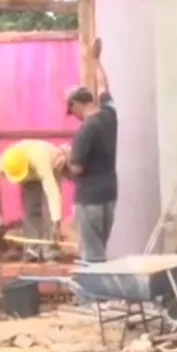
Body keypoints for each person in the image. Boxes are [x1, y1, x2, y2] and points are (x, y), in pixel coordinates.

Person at [66, 84, 118, 263]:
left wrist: (66, 159)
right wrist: (94, 60)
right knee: (100, 249)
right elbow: (104, 89)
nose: (74, 116)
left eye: (71, 111)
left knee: (92, 256)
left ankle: (95, 291)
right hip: (110, 195)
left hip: (89, 199)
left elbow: (76, 169)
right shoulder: (110, 116)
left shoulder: (85, 131)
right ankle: (102, 289)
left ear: (74, 104)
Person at [0, 140, 68, 260]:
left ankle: (50, 251)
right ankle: (32, 250)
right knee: (30, 211)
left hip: (50, 167)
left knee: (48, 212)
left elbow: (52, 192)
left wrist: (57, 220)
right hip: (30, 173)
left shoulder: (40, 159)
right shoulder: (2, 164)